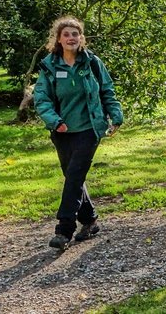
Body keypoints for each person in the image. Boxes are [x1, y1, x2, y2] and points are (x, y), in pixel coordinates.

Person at [33, 16, 124, 250]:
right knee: (73, 177)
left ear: (81, 38)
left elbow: (107, 90)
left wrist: (116, 116)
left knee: (74, 175)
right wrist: (55, 121)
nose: (71, 38)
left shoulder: (92, 62)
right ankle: (90, 220)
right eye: (66, 34)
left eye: (75, 34)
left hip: (89, 129)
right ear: (59, 39)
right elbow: (41, 99)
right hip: (62, 131)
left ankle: (64, 230)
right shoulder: (49, 65)